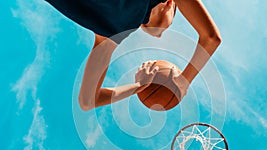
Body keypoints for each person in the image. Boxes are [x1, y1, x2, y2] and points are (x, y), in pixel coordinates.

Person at [45, 0, 221, 111]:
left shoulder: (112, 32)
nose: (162, 34)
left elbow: (88, 101)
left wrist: (139, 86)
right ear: (169, 4)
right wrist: (183, 82)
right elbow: (211, 38)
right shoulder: (112, 32)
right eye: (172, 21)